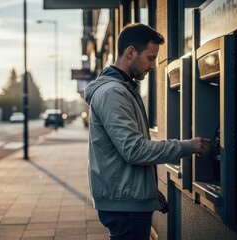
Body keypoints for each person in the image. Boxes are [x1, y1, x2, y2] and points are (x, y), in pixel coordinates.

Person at [84, 23, 213, 240]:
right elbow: (134, 150)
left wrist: (149, 190)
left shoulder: (122, 89)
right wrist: (189, 145)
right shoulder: (113, 93)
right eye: (150, 58)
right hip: (125, 206)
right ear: (131, 52)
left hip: (127, 198)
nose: (153, 66)